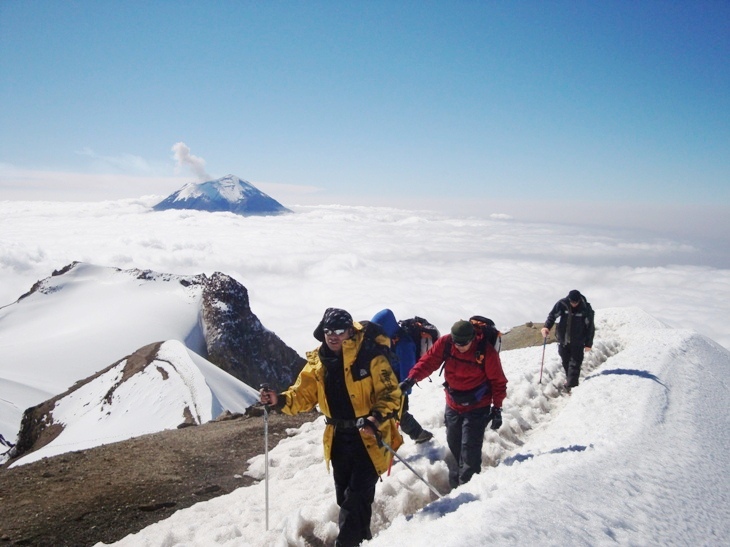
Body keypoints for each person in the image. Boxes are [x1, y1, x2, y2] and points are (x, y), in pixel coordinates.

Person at [259, 308, 402, 547]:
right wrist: (279, 400)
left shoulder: (370, 357)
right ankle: (362, 540)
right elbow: (302, 395)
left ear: (349, 331)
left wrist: (375, 419)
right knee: (346, 498)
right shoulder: (318, 362)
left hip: (369, 437)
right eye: (328, 330)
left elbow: (391, 393)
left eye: (338, 330)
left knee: (355, 498)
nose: (333, 336)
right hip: (337, 439)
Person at [400, 319, 508, 489]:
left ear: (472, 338)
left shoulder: (485, 352)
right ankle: (458, 485)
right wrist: (411, 379)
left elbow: (498, 381)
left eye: (464, 343)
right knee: (455, 444)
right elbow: (428, 362)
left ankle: (468, 493)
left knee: (470, 451)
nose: (460, 346)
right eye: (457, 342)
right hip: (453, 403)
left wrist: (497, 408)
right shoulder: (446, 343)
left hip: (478, 407)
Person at [371, 309, 433, 444]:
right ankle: (418, 435)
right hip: (385, 383)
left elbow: (408, 371)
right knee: (391, 415)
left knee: (399, 414)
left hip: (399, 387)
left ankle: (419, 435)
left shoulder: (404, 344)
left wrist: (403, 390)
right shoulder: (386, 340)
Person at [540, 289, 595, 391]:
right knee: (565, 361)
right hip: (563, 340)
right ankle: (570, 380)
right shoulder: (562, 304)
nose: (574, 304)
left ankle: (571, 386)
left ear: (579, 300)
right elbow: (552, 316)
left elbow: (590, 327)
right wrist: (547, 327)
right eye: (572, 302)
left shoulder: (585, 308)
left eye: (576, 302)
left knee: (575, 363)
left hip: (578, 341)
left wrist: (588, 343)